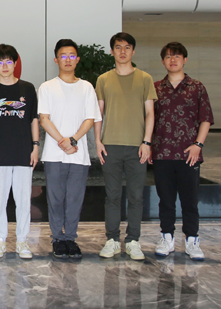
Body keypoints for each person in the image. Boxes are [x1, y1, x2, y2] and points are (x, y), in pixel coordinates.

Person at [95, 32, 156, 261]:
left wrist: (146, 141)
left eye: (127, 47)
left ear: (133, 51)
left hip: (136, 147)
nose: (122, 51)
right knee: (112, 196)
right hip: (110, 146)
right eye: (118, 47)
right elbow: (98, 114)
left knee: (136, 196)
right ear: (112, 51)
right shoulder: (103, 79)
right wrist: (98, 141)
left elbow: (150, 113)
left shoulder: (145, 78)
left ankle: (132, 241)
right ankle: (112, 240)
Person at [38, 39, 101, 259]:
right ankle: (57, 239)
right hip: (54, 154)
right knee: (55, 199)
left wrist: (72, 140)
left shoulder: (87, 87)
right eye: (63, 56)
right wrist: (62, 141)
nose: (67, 59)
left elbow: (90, 118)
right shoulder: (47, 87)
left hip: (78, 154)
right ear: (56, 60)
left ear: (77, 59)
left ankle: (71, 238)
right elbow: (44, 119)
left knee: (75, 199)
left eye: (72, 55)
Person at [152, 42, 213, 261]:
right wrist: (147, 144)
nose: (173, 60)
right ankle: (166, 237)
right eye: (168, 57)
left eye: (177, 56)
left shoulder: (196, 87)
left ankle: (192, 239)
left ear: (185, 60)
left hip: (189, 154)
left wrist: (198, 145)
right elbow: (149, 119)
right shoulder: (156, 88)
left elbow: (206, 119)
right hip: (162, 153)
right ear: (163, 61)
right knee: (165, 200)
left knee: (190, 201)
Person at [0, 44, 39, 259]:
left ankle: (22, 241)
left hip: (24, 151)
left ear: (15, 63)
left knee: (23, 200)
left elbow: (33, 119)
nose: (4, 66)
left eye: (8, 61)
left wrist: (35, 146)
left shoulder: (27, 88)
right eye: (0, 62)